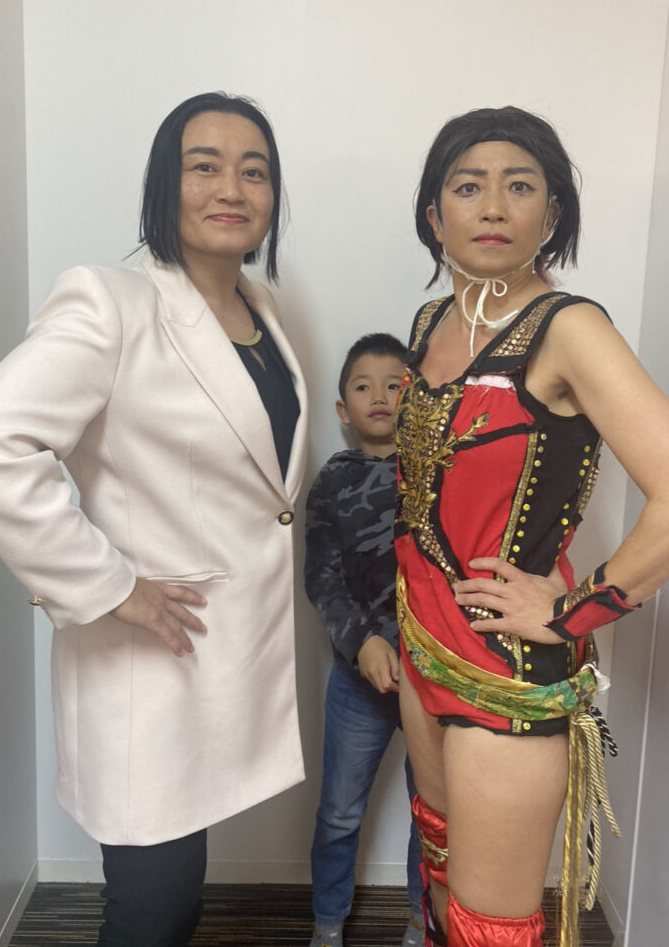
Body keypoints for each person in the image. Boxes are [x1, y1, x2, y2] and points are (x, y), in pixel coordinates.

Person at [0, 92, 308, 947]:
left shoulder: (264, 312)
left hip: (229, 653)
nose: (232, 187)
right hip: (148, 658)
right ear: (162, 185)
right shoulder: (109, 303)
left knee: (179, 897)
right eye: (204, 165)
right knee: (152, 910)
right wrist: (110, 586)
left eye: (254, 171)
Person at [394, 106, 669, 947]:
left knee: (490, 927)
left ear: (552, 213)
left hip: (503, 672)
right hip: (419, 643)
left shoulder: (570, 329)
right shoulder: (431, 322)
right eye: (467, 187)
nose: (492, 207)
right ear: (433, 215)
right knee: (438, 869)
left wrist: (570, 612)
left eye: (519, 187)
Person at [305, 333, 424, 947]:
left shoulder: (438, 475)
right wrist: (364, 644)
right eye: (362, 386)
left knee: (433, 813)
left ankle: (421, 921)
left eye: (395, 385)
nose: (380, 396)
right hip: (359, 681)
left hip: (434, 677)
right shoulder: (333, 480)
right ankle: (327, 923)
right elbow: (322, 578)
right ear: (342, 409)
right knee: (339, 812)